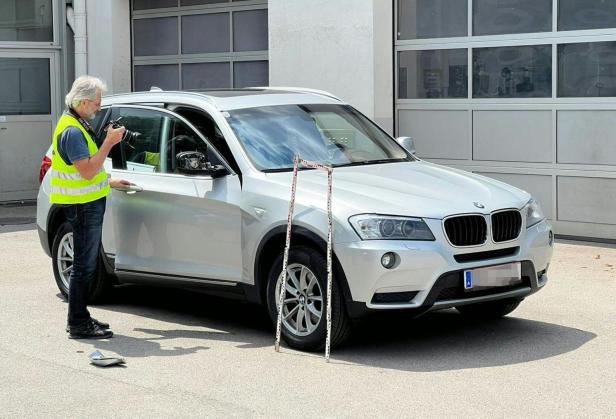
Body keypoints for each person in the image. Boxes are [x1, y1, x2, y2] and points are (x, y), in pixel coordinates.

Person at [50, 75, 130, 339]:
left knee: (86, 264)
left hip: (85, 203)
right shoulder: (73, 131)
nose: (99, 107)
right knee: (84, 266)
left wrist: (110, 181)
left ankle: (80, 316)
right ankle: (78, 323)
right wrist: (109, 142)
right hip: (83, 206)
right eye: (97, 102)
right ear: (83, 102)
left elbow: (89, 171)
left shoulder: (75, 123)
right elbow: (86, 171)